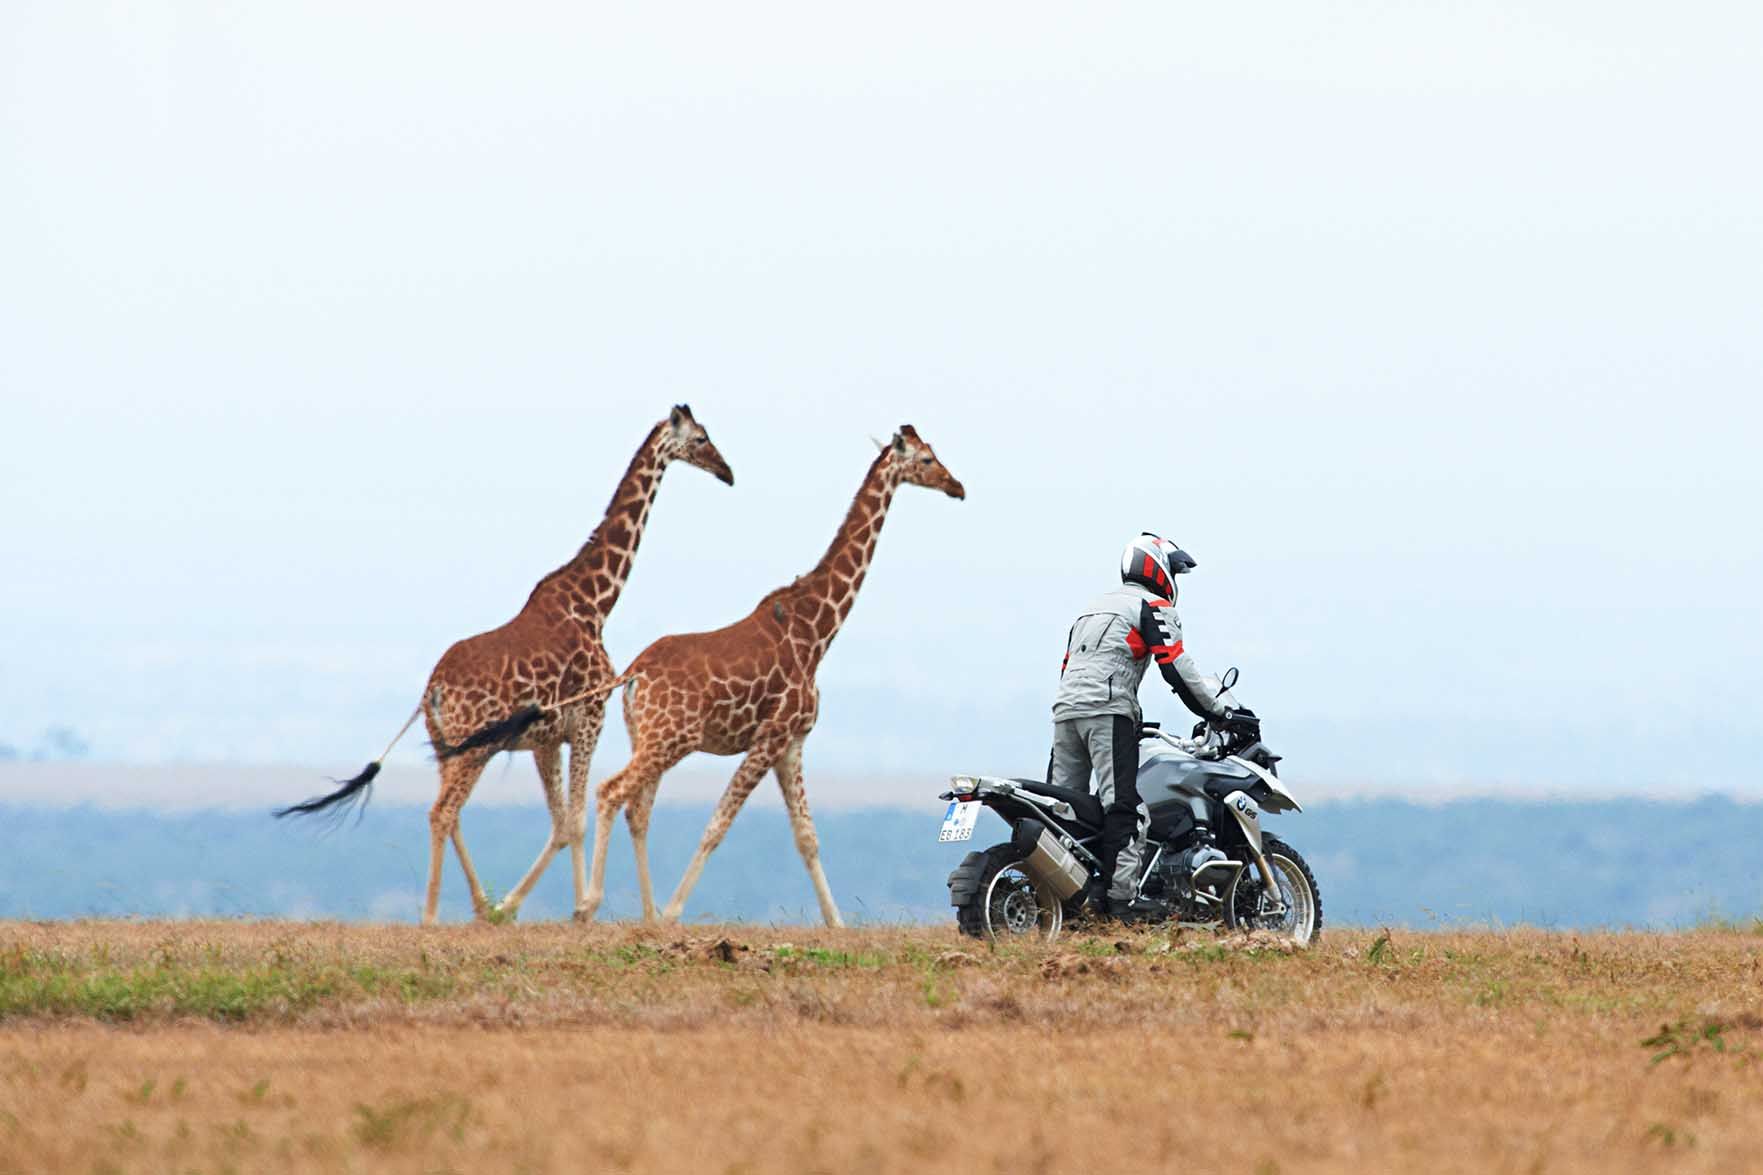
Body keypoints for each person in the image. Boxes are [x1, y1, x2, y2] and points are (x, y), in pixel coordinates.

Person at [1049, 532, 1259, 921]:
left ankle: (1064, 899)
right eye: (1174, 571)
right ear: (1157, 567)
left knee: (1066, 808)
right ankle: (1121, 902)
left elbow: (1068, 668)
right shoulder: (1152, 605)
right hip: (1108, 711)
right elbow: (1176, 667)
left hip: (1065, 712)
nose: (1175, 580)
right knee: (1124, 808)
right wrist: (1219, 713)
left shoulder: (1091, 610)